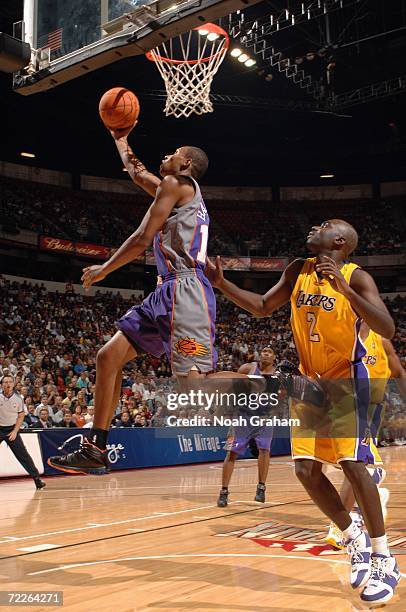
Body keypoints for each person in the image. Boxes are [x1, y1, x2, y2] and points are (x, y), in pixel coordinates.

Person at [207, 219, 400, 604]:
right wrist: (221, 284)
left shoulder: (356, 276)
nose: (315, 227)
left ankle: (383, 557)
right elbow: (263, 306)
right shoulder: (298, 268)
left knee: (352, 464)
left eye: (325, 226)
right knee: (305, 469)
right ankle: (353, 537)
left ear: (341, 241)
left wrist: (345, 290)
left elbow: (387, 326)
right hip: (309, 381)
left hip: (346, 377)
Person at [48, 122, 214, 475]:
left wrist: (105, 268)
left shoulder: (177, 185)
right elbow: (139, 176)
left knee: (194, 390)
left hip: (186, 292)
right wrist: (121, 141)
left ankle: (271, 383)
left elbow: (141, 237)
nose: (166, 156)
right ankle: (96, 448)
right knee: (108, 357)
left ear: (185, 165)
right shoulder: (177, 191)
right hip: (166, 292)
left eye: (174, 153)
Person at [325, 326, 406, 548]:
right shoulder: (342, 337)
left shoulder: (381, 342)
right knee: (347, 465)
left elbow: (398, 373)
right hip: (342, 406)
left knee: (352, 463)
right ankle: (374, 479)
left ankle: (340, 527)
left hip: (369, 411)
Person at [217, 346, 276, 507]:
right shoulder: (247, 368)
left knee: (264, 450)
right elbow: (232, 387)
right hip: (243, 416)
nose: (266, 353)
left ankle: (261, 488)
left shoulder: (277, 374)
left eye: (269, 352)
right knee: (232, 453)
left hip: (265, 418)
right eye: (264, 351)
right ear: (259, 354)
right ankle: (224, 491)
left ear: (274, 358)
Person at [0, 375, 45, 489]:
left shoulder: (18, 398)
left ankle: (37, 479)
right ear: (1, 385)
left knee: (23, 456)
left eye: (10, 381)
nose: (8, 384)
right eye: (5, 382)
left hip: (12, 430)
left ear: (13, 384)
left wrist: (15, 431)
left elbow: (21, 416)